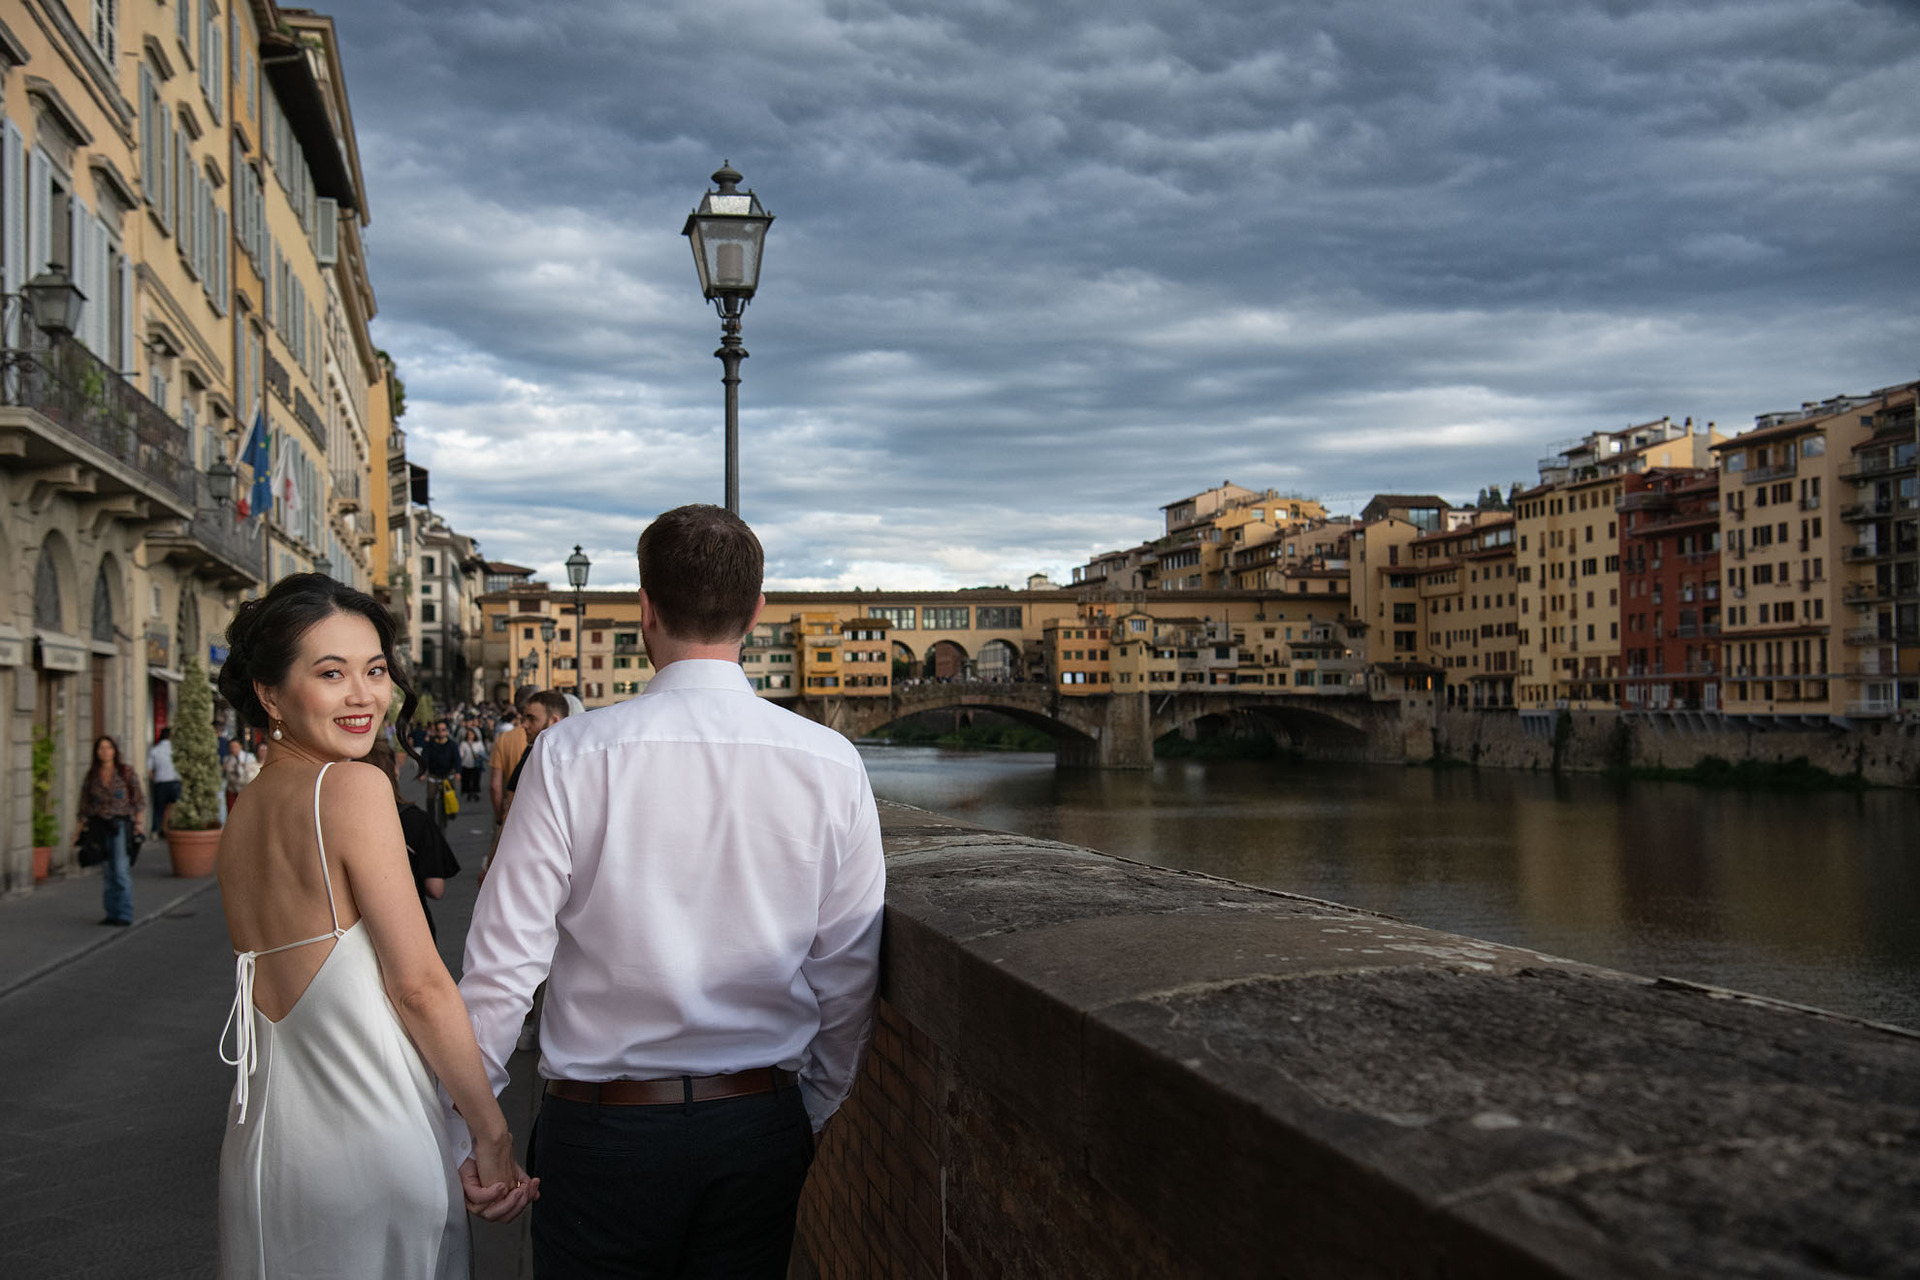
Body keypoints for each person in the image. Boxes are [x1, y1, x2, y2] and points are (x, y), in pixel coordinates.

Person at [461, 505, 886, 1277]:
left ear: (644, 609)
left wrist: (475, 1127)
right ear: (756, 613)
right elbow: (849, 973)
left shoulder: (567, 756)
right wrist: (808, 1109)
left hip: (602, 1130)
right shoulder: (831, 764)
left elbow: (503, 967)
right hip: (757, 1120)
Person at [212, 573, 535, 1279]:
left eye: (375, 670)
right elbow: (419, 986)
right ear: (270, 694)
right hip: (369, 1150)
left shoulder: (243, 815)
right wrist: (492, 1134)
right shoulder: (352, 787)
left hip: (264, 1160)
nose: (364, 696)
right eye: (332, 673)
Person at [367, 740, 461, 940]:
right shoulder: (417, 820)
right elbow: (435, 889)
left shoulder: (339, 823)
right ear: (395, 771)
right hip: (410, 926)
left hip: (362, 932)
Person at [76, 735, 144, 927]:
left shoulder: (125, 772)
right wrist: (79, 830)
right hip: (99, 826)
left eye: (108, 748)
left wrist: (138, 825)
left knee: (121, 870)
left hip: (120, 825)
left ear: (114, 751)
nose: (104, 751)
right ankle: (111, 912)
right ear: (96, 752)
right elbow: (84, 805)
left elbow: (138, 800)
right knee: (107, 871)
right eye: (101, 748)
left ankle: (124, 913)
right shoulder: (92, 776)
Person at [420, 721, 460, 828]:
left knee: (451, 795)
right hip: (434, 775)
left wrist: (458, 772)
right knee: (430, 798)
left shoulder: (452, 745)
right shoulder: (430, 745)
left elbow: (457, 759)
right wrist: (423, 772)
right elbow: (425, 758)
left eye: (443, 730)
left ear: (447, 731)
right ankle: (431, 819)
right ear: (436, 731)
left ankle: (451, 812)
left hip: (448, 774)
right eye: (439, 730)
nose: (441, 732)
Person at [146, 727, 179, 834]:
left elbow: (149, 770)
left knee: (158, 808)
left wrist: (154, 780)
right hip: (174, 781)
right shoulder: (176, 749)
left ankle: (155, 830)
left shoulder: (155, 750)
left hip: (160, 782)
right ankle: (168, 828)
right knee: (172, 807)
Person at [223, 737, 260, 817]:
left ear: (240, 746)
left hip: (244, 788)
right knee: (232, 813)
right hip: (232, 788)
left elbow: (253, 771)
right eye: (231, 747)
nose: (233, 749)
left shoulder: (249, 757)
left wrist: (245, 766)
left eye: (235, 747)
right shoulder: (227, 759)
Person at [457, 726, 485, 803]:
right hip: (466, 764)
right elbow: (460, 754)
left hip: (476, 765)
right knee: (467, 780)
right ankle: (468, 793)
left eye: (472, 734)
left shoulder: (478, 743)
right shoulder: (463, 744)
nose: (470, 736)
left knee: (476, 779)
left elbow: (483, 752)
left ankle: (476, 792)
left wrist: (478, 755)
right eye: (469, 734)